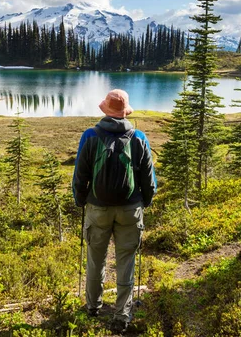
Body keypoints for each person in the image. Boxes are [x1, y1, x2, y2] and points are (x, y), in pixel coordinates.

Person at [72, 89, 157, 334]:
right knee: (125, 262)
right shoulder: (139, 137)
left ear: (106, 110)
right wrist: (144, 203)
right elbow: (149, 182)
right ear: (125, 111)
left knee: (95, 259)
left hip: (97, 209)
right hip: (130, 210)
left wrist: (81, 201)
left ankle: (93, 306)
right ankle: (122, 315)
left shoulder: (89, 136)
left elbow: (80, 177)